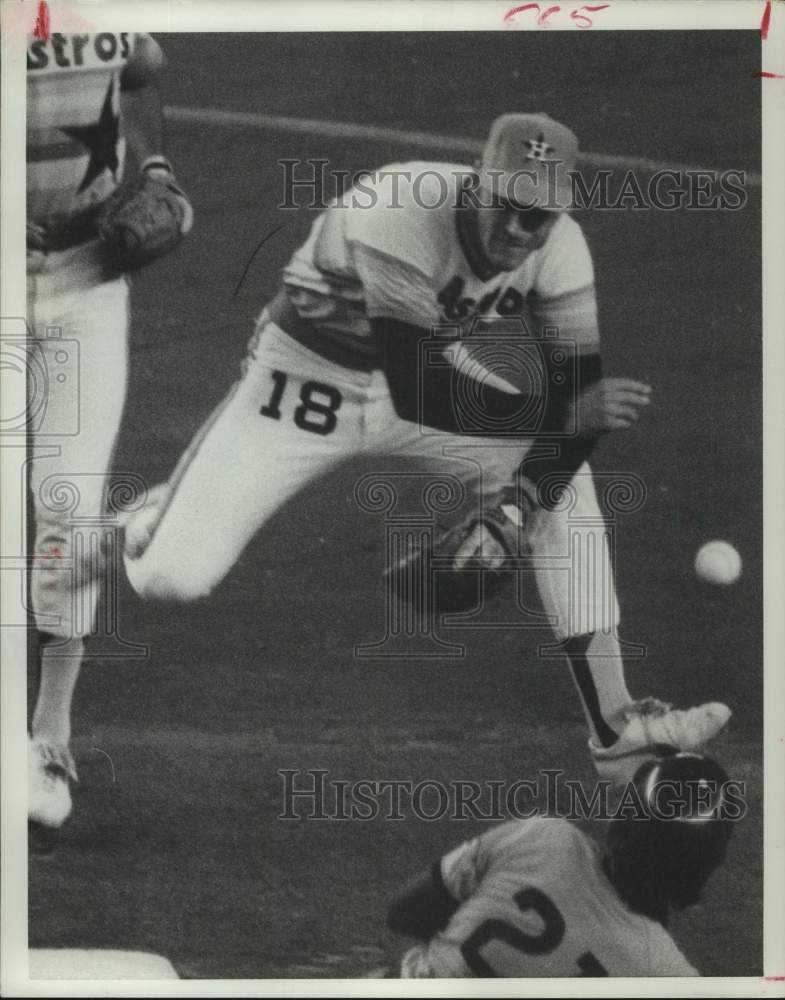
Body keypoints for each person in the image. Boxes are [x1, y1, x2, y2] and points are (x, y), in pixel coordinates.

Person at [123, 112, 729, 781]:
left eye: (537, 217)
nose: (516, 231)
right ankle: (143, 519)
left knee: (562, 480)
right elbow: (419, 390)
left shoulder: (562, 249)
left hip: (429, 374)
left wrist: (516, 507)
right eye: (504, 206)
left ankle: (616, 728)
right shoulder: (402, 206)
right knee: (170, 578)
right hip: (306, 379)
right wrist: (558, 421)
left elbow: (577, 407)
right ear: (476, 185)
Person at [26, 31, 192, 842]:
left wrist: (155, 168)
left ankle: (49, 735)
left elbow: (144, 73)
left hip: (88, 276)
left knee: (69, 506)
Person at [388, 750, 735, 977]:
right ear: (702, 869)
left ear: (621, 823)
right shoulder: (668, 975)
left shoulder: (543, 837)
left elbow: (405, 913)